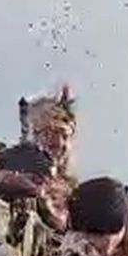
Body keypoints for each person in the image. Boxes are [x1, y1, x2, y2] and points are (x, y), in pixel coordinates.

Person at [18, 84, 79, 229]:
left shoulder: (76, 192)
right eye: (46, 133)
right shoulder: (12, 177)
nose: (56, 142)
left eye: (63, 135)